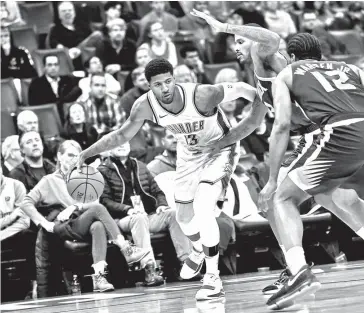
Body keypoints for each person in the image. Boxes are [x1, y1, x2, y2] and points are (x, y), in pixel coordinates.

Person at [191, 9, 364, 296]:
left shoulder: (276, 61)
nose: (235, 47)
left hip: (324, 137)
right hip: (322, 138)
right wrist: (219, 143)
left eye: (240, 41)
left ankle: (295, 266)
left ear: (253, 41)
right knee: (330, 197)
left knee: (276, 198)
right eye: (234, 42)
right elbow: (252, 121)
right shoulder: (261, 76)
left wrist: (222, 25)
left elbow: (272, 36)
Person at [76, 58, 256, 300]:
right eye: (158, 84)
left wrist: (266, 102)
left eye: (169, 82)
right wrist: (87, 152)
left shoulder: (203, 95)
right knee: (182, 217)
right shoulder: (144, 106)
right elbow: (120, 135)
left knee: (203, 207)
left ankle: (212, 277)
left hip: (220, 150)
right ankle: (197, 249)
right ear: (149, 86)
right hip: (188, 154)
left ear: (175, 79)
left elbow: (243, 88)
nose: (165, 89)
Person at [257, 33, 364, 309]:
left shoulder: (287, 74)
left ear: (292, 57)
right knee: (346, 199)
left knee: (282, 198)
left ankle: (298, 271)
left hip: (341, 132)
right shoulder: (349, 68)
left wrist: (271, 180)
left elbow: (282, 126)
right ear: (319, 54)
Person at [20, 140, 150, 292]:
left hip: (84, 221)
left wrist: (75, 206)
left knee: (98, 225)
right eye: (70, 155)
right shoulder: (49, 180)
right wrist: (43, 222)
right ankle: (125, 248)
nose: (74, 159)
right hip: (64, 225)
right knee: (98, 210)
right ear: (59, 157)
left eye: (78, 156)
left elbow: (93, 202)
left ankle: (99, 278)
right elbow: (25, 203)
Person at [99, 142, 191, 286]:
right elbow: (105, 201)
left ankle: (187, 264)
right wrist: (127, 209)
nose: (122, 144)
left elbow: (157, 191)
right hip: (120, 220)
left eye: (125, 141)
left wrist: (161, 205)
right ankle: (150, 269)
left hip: (146, 215)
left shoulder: (140, 166)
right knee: (139, 218)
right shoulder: (103, 171)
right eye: (117, 142)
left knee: (174, 214)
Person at [28, 54, 82, 120]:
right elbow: (36, 108)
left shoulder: (68, 80)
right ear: (44, 67)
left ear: (59, 66)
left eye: (56, 64)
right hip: (47, 118)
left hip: (68, 117)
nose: (53, 68)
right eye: (50, 65)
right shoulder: (36, 84)